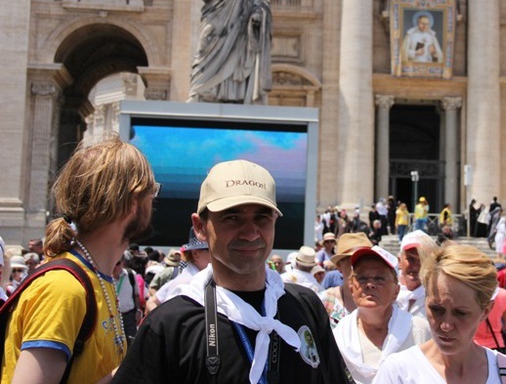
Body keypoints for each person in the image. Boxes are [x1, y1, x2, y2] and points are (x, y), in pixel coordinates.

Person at [113, 159, 350, 383]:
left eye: (262, 218)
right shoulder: (169, 326)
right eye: (232, 218)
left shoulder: (306, 306)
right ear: (199, 227)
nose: (250, 233)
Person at [1, 137, 157, 383]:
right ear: (132, 203)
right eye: (152, 192)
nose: (154, 202)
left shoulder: (96, 280)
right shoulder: (63, 289)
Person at [374, 244, 506, 383]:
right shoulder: (398, 371)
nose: (446, 325)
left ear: (485, 311)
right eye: (436, 309)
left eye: (460, 313)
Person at [334, 246, 431, 383]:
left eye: (379, 279)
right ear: (351, 289)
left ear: (396, 291)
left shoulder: (419, 331)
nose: (370, 285)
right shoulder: (339, 337)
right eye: (362, 278)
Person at [146, 229, 211, 313]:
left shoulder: (185, 278)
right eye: (212, 251)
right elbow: (152, 302)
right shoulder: (188, 282)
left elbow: (152, 301)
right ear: (195, 254)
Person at [318, 232, 372, 328]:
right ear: (339, 265)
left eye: (368, 262)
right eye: (354, 263)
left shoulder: (382, 301)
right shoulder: (325, 303)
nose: (361, 269)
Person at [395, 230, 435, 320]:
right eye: (411, 259)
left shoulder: (437, 295)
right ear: (399, 261)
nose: (416, 266)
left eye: (422, 260)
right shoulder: (386, 291)